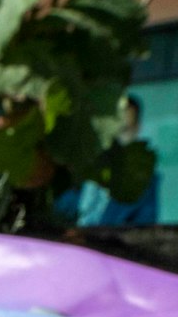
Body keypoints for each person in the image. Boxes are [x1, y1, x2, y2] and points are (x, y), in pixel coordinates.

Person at [55, 95, 161, 227]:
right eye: (109, 131)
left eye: (123, 131)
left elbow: (143, 232)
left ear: (136, 130)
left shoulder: (145, 185)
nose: (113, 140)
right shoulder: (71, 167)